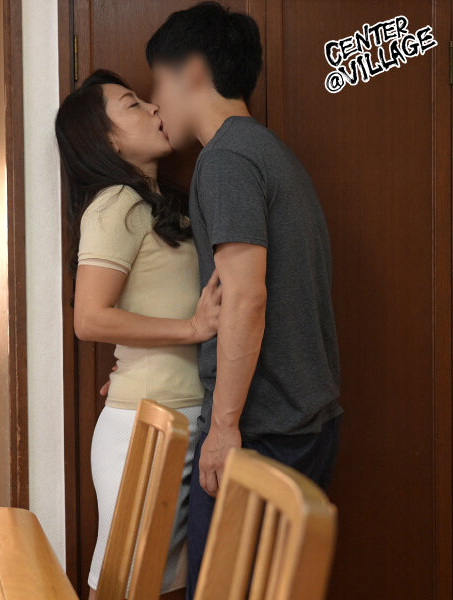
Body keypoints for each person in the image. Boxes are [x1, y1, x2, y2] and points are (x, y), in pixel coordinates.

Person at [144, 3, 343, 596]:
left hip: (264, 431)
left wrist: (225, 426)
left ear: (193, 72)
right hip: (303, 421)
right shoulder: (266, 151)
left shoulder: (226, 158)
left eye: (157, 83)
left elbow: (246, 297)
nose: (155, 103)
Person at [56, 69, 222, 600]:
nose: (154, 108)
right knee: (126, 586)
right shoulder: (115, 204)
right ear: (105, 139)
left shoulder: (154, 202)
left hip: (172, 416)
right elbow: (89, 318)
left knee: (150, 584)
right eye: (132, 105)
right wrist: (192, 328)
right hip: (149, 426)